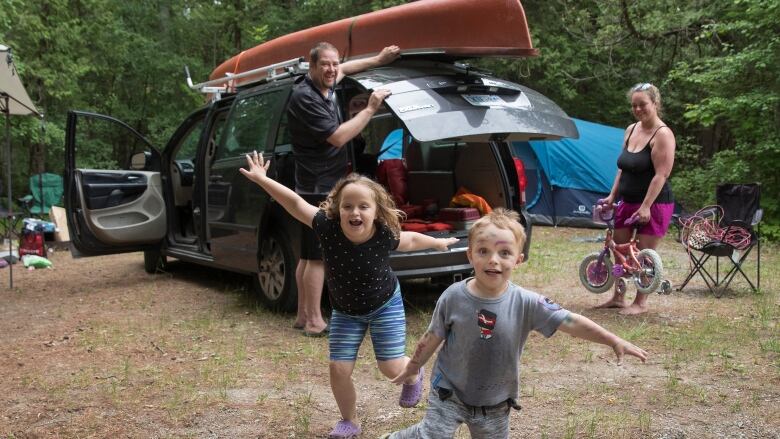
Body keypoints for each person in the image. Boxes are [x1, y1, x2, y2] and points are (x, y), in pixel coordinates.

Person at [240, 152, 458, 439]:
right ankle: (349, 421)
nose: (355, 213)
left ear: (376, 211)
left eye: (363, 207)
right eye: (348, 206)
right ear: (337, 209)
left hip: (384, 304)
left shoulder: (383, 235)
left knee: (390, 367)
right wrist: (263, 180)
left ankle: (414, 375)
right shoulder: (326, 227)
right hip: (345, 311)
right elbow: (294, 203)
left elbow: (411, 239)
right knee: (338, 368)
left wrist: (437, 244)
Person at [382, 209, 648, 439]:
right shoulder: (453, 297)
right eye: (483, 251)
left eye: (504, 252)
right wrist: (414, 366)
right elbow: (432, 335)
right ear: (470, 256)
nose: (493, 259)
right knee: (433, 436)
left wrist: (613, 340)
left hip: (495, 401)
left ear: (518, 259)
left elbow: (569, 320)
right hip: (448, 391)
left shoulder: (527, 302)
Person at [288, 42, 401, 337]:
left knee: (305, 255)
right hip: (318, 184)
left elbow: (347, 69)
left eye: (334, 63)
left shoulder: (323, 84)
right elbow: (338, 138)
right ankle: (314, 320)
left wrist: (378, 58)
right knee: (316, 257)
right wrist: (371, 108)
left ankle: (302, 314)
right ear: (310, 65)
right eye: (325, 64)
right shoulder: (306, 97)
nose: (332, 69)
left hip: (314, 182)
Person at [595, 83, 676, 315]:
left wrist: (646, 206)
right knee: (619, 250)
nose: (638, 109)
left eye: (643, 104)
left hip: (654, 204)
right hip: (626, 201)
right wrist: (612, 196)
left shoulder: (663, 134)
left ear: (655, 104)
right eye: (634, 105)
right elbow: (623, 168)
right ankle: (619, 297)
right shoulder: (631, 129)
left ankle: (640, 302)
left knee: (642, 254)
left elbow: (662, 174)